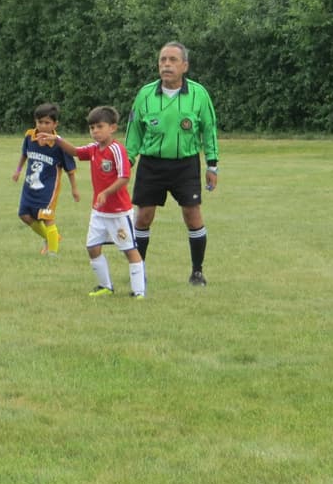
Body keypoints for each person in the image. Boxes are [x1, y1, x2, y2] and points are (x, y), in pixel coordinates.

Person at [123, 42, 220, 287]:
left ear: (184, 66)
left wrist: (212, 165)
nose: (166, 64)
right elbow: (134, 131)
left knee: (192, 214)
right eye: (162, 60)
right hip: (151, 164)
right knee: (143, 217)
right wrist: (126, 162)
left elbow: (209, 131)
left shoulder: (199, 94)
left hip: (185, 165)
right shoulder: (145, 94)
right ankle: (138, 271)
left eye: (172, 60)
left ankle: (197, 272)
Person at [40, 106, 145, 297]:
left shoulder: (117, 150)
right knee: (92, 247)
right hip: (99, 212)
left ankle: (139, 291)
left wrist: (105, 192)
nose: (95, 131)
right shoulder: (94, 149)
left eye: (99, 126)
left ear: (112, 128)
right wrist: (57, 140)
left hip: (119, 211)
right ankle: (106, 286)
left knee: (129, 249)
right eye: (91, 128)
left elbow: (124, 177)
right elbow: (75, 151)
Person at [12, 103, 80, 256]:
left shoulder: (59, 144)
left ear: (55, 124)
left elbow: (70, 169)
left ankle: (53, 253)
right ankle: (52, 238)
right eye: (39, 122)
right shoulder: (30, 136)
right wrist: (17, 171)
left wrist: (74, 189)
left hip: (48, 190)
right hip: (29, 187)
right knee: (24, 215)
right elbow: (24, 154)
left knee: (47, 218)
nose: (42, 126)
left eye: (47, 123)